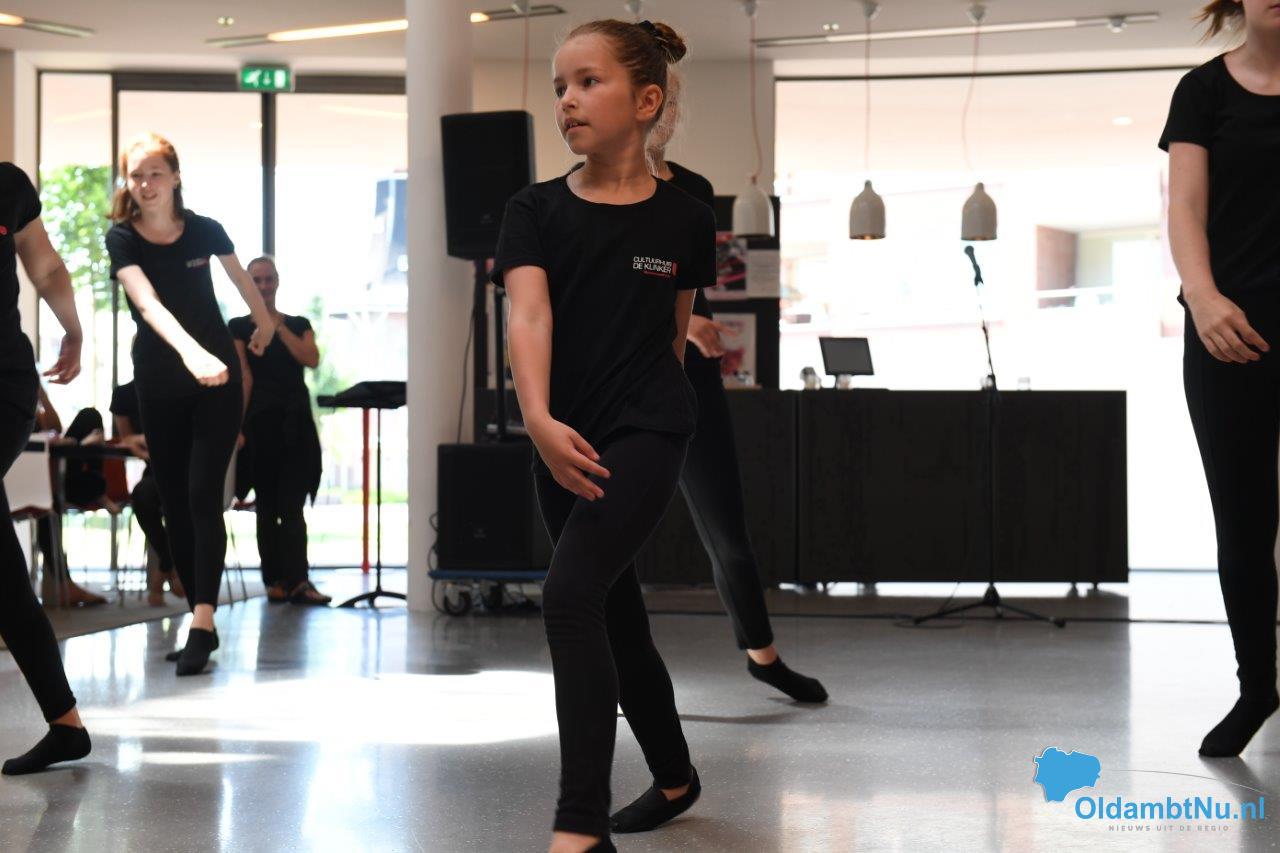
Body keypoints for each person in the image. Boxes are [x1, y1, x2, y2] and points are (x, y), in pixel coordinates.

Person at [495, 19, 712, 853]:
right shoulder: (534, 209)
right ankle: (676, 776)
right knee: (614, 613)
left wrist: (651, 425)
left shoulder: (686, 218)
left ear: (646, 101)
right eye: (560, 86)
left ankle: (579, 827)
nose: (568, 100)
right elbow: (529, 316)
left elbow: (672, 335)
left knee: (568, 595)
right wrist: (540, 422)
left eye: (588, 82)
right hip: (562, 437)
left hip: (650, 429)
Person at [645, 67, 827, 704]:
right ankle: (612, 672)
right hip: (617, 381)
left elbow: (683, 283)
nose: (664, 112)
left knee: (727, 528)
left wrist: (692, 324)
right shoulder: (583, 193)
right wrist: (683, 323)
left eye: (671, 100)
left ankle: (763, 657)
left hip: (690, 380)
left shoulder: (692, 190)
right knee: (602, 541)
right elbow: (600, 292)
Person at [106, 133, 274, 676]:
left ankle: (203, 620)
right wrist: (189, 353)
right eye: (137, 175)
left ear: (175, 177)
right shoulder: (122, 239)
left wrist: (265, 323)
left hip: (217, 381)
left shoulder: (204, 229)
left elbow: (241, 280)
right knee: (174, 501)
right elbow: (147, 302)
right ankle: (197, 613)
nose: (146, 183)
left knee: (203, 493)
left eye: (155, 172)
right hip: (160, 383)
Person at [1162, 0, 1280, 757]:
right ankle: (1257, 688)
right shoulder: (1202, 90)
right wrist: (1202, 298)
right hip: (1228, 331)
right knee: (1243, 521)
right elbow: (1185, 205)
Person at [0, 160, 92, 774]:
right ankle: (65, 723)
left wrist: (73, 330)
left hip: (4, 385)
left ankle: (65, 722)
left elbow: (47, 266)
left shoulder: (7, 185)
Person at [229, 256, 328, 606]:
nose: (263, 286)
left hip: (297, 423)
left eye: (268, 279)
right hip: (261, 424)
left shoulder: (299, 324)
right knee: (268, 505)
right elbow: (244, 377)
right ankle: (274, 580)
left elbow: (311, 358)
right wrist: (236, 426)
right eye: (257, 280)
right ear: (248, 284)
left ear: (277, 281)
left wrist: (276, 326)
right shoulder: (238, 327)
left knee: (293, 505)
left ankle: (299, 581)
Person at [31, 384, 110, 607]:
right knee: (50, 501)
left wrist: (42, 397)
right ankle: (66, 584)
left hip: (54, 472)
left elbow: (54, 428)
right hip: (33, 478)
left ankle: (98, 488)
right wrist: (78, 444)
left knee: (90, 416)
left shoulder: (24, 401)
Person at [110, 378, 185, 606]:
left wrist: (143, 441)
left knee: (178, 499)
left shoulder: (179, 388)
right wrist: (140, 443)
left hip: (187, 469)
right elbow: (126, 439)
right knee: (142, 495)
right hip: (155, 470)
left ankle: (163, 573)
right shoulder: (124, 395)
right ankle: (171, 564)